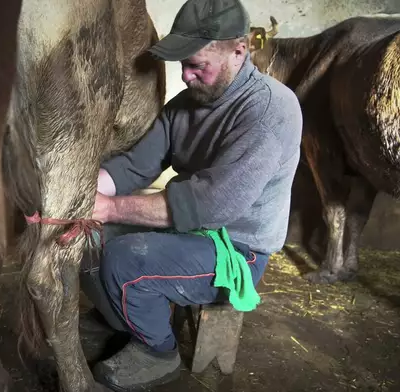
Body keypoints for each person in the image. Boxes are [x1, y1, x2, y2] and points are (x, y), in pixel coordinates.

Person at [78, 0, 304, 390]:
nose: (185, 76)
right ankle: (126, 315)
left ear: (239, 50)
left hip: (237, 247)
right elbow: (135, 166)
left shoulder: (270, 111)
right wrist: (80, 196)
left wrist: (111, 208)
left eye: (197, 64)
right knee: (87, 237)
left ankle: (159, 352)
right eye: (181, 64)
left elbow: (210, 204)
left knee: (125, 258)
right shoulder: (185, 105)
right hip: (192, 229)